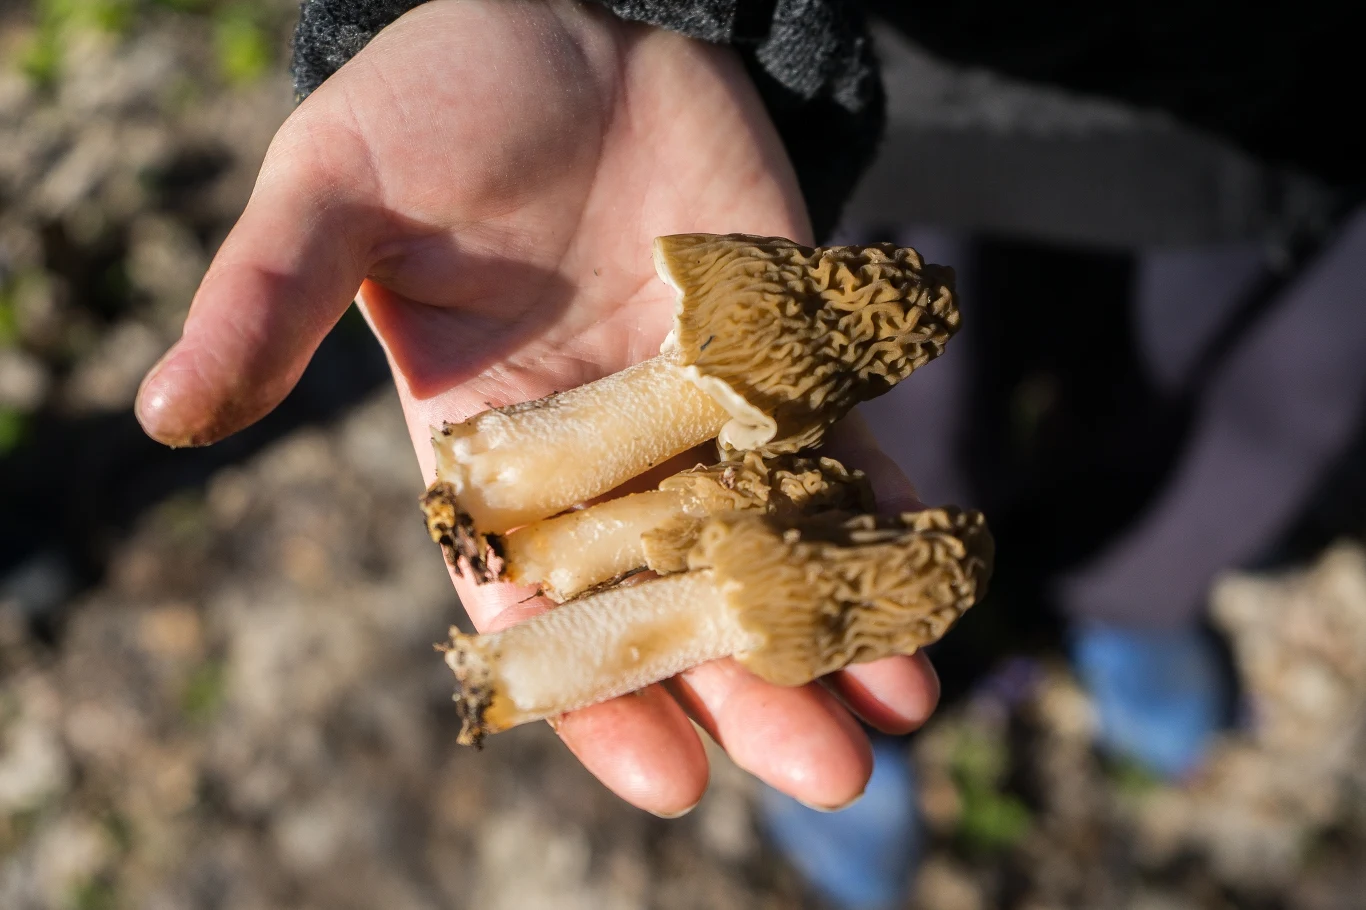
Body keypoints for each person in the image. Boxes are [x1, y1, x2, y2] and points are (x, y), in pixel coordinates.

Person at [135, 0, 1365, 905]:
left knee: (1238, 397)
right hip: (917, 78)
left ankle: (1134, 595)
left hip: (1301, 123)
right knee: (929, 426)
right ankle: (965, 684)